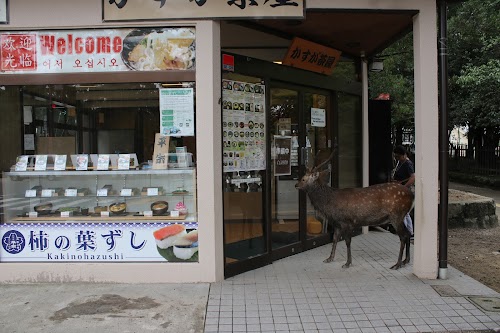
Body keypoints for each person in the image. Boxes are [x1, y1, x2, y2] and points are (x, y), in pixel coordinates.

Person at [392, 145, 415, 237]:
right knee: (404, 212)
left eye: (398, 156)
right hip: (399, 188)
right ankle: (408, 232)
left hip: (404, 190)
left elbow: (413, 177)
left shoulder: (408, 164)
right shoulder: (400, 163)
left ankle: (408, 232)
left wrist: (404, 187)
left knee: (403, 212)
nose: (397, 158)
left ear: (404, 155)